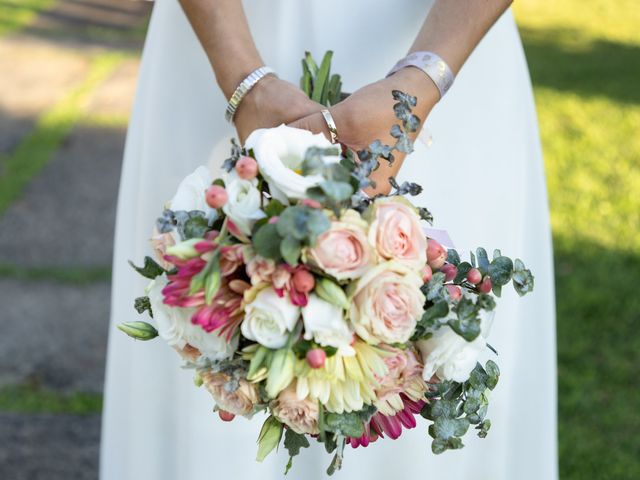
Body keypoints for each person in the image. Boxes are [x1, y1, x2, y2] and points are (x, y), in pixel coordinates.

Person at [101, 1, 557, 478]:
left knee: (432, 345)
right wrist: (242, 82)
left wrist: (424, 79)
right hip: (220, 36)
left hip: (452, 38)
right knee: (210, 330)